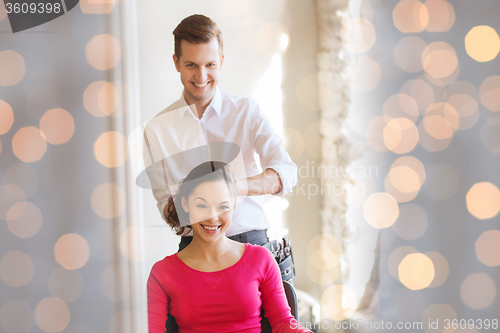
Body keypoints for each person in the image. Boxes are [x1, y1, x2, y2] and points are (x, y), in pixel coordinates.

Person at [143, 14, 297, 251]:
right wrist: (198, 206)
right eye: (191, 65)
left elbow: (286, 174)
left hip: (251, 243)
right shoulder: (157, 129)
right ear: (177, 63)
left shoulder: (247, 112)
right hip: (194, 248)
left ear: (221, 61)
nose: (201, 77)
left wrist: (233, 187)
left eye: (210, 65)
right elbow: (166, 204)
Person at [147, 161, 310, 333]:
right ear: (186, 204)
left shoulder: (260, 259)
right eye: (202, 205)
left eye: (223, 206)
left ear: (233, 205)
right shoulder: (162, 273)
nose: (212, 217)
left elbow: (284, 324)